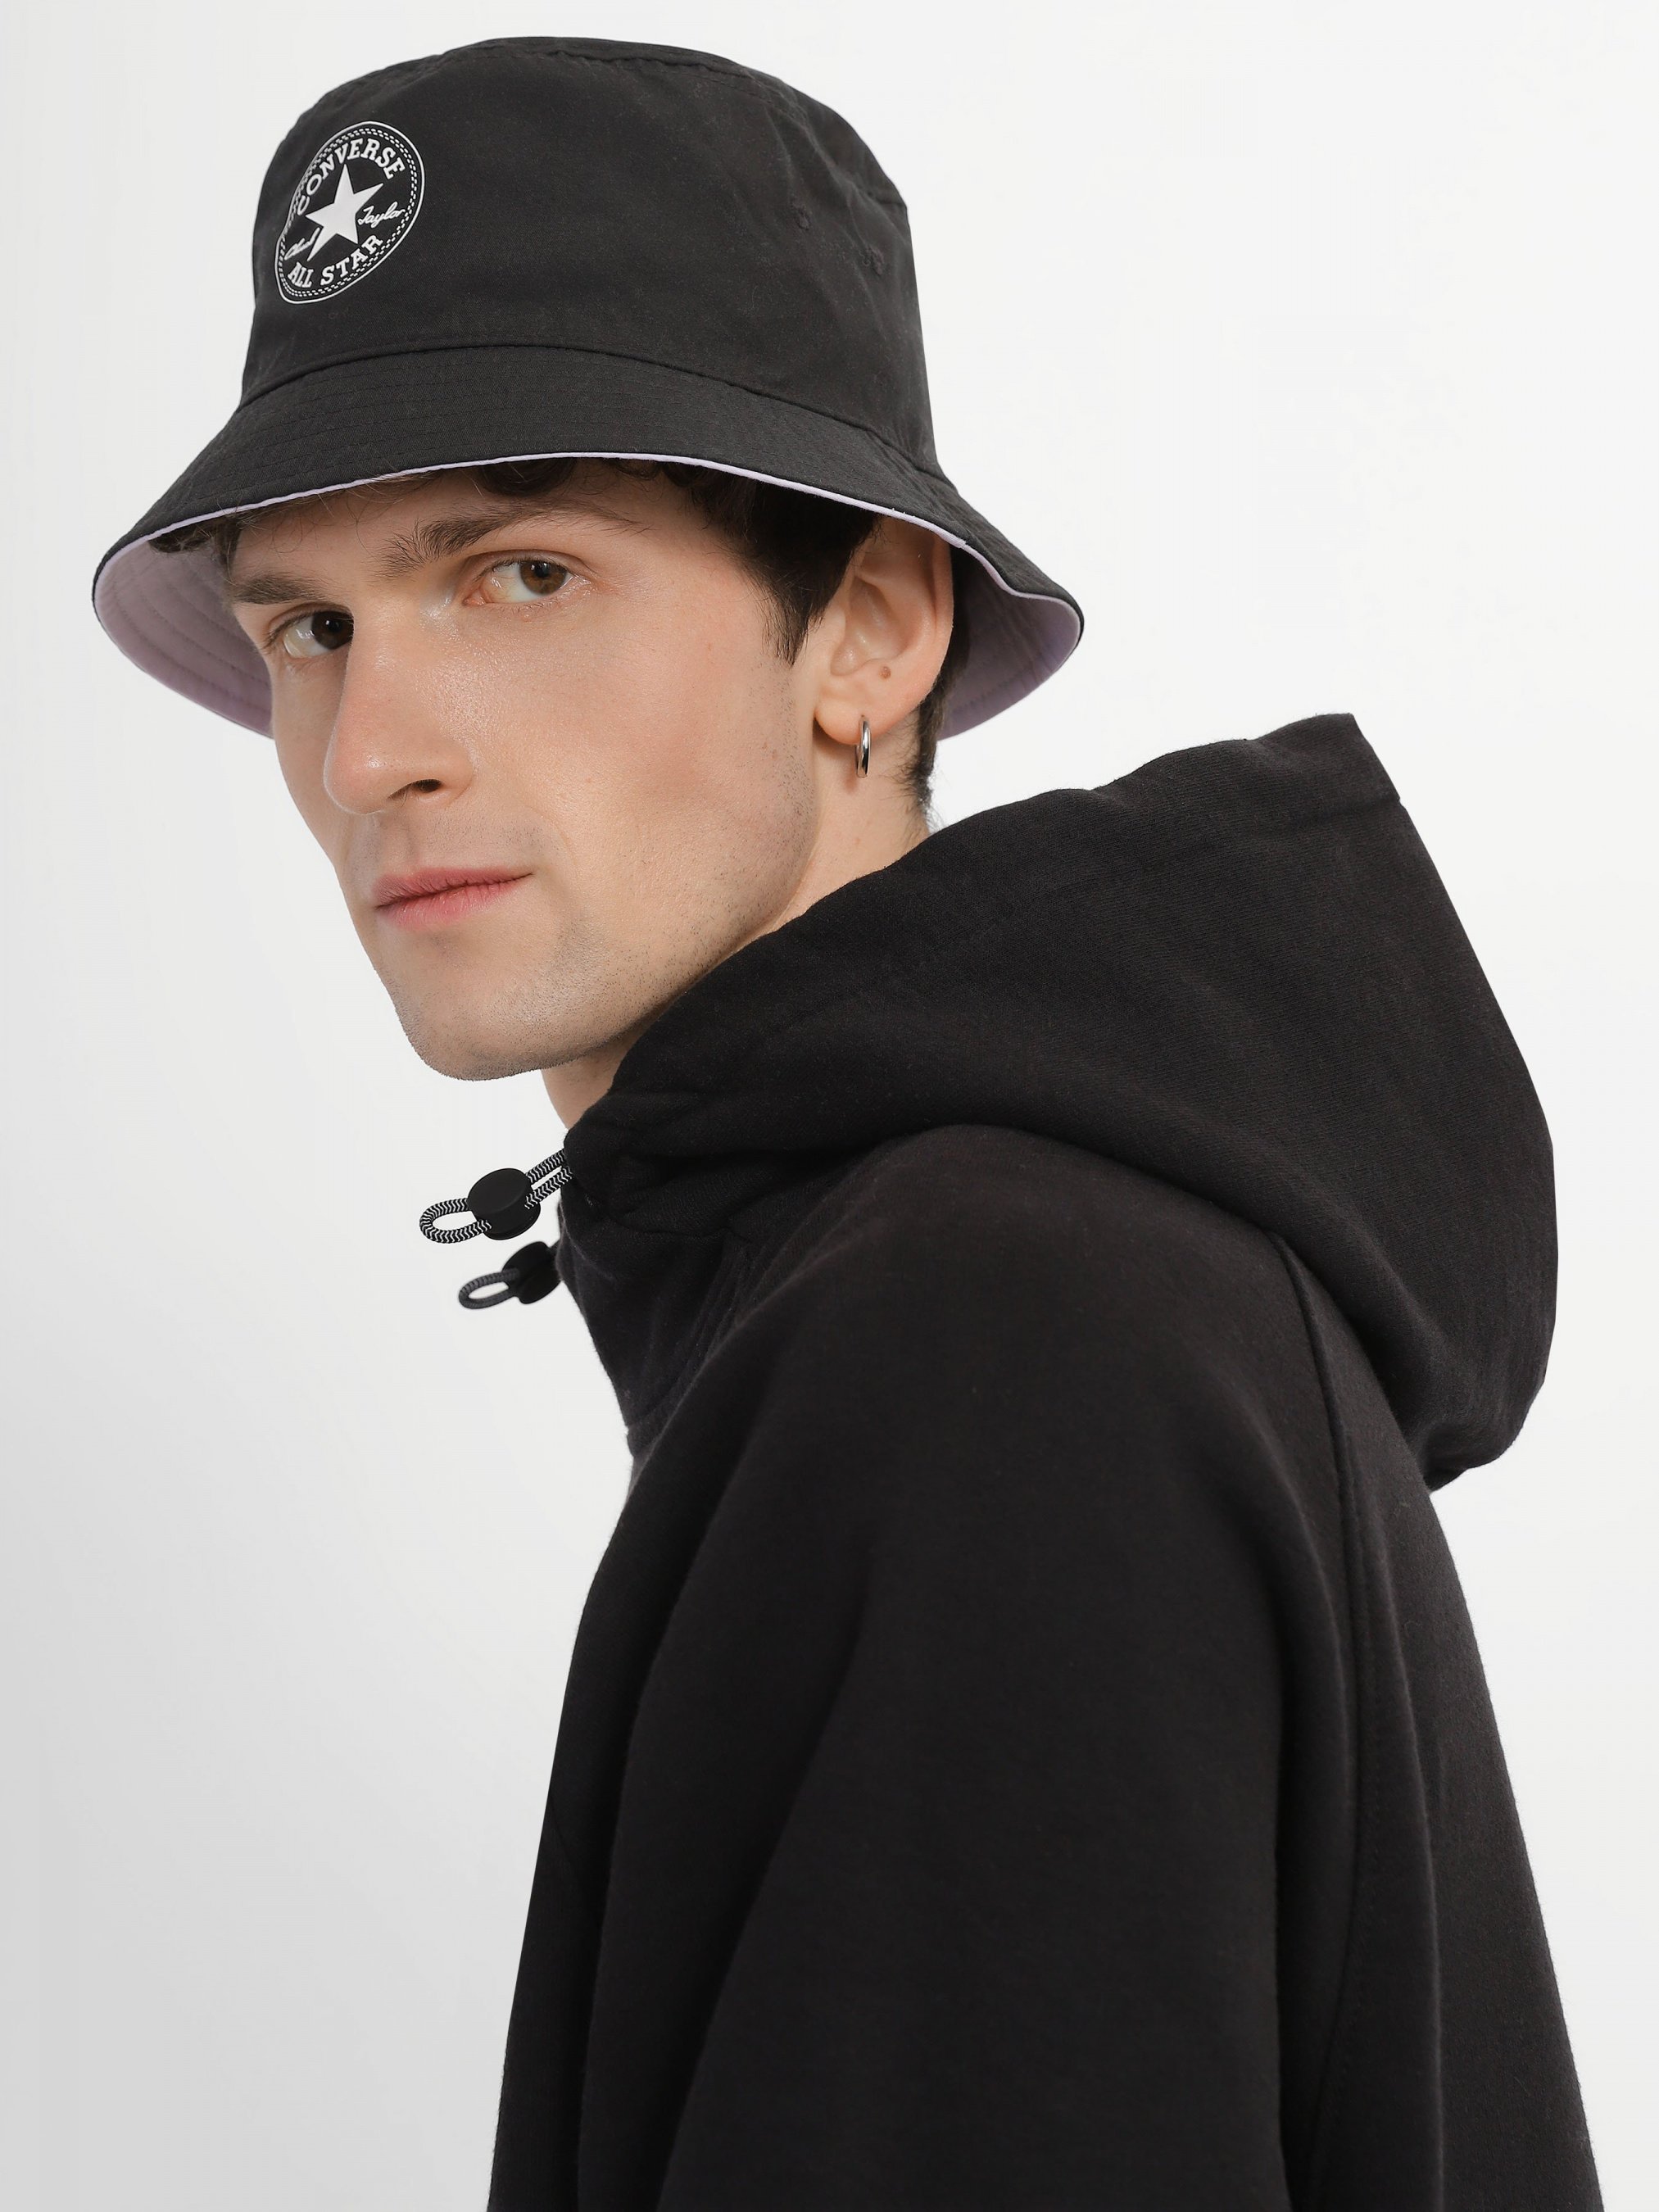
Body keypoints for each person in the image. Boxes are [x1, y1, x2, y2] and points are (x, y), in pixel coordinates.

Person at [93, 34, 1602, 2212]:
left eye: (519, 575)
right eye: (309, 627)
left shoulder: (990, 1342)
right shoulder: (1002, 1276)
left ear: (870, 632)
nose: (365, 749)